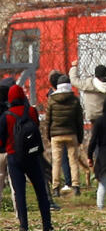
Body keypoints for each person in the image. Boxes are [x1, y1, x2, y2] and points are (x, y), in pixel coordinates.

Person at [1, 84, 52, 231]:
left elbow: (1, 140)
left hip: (14, 157)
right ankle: (47, 224)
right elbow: (35, 126)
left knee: (20, 194)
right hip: (32, 156)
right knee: (41, 191)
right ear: (23, 95)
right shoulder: (31, 111)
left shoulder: (6, 116)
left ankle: (24, 226)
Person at [45, 74, 83, 197]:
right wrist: (80, 137)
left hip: (56, 135)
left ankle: (55, 188)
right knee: (73, 161)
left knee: (56, 162)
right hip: (71, 134)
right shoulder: (75, 100)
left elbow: (48, 120)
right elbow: (79, 121)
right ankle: (76, 186)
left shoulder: (51, 100)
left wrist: (48, 135)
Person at [69, 51, 106, 122]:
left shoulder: (89, 84)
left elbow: (74, 80)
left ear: (96, 75)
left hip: (94, 118)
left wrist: (74, 67)